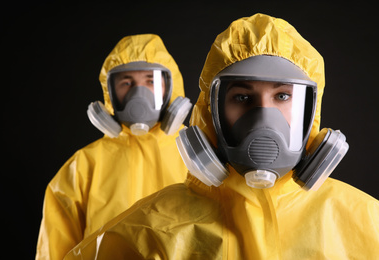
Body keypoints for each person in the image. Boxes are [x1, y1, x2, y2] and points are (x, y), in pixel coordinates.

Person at [64, 14, 379, 259]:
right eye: (242, 98)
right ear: (210, 111)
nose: (263, 118)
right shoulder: (149, 233)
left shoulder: (365, 223)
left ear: (312, 109)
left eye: (283, 97)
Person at [35, 34, 192, 259]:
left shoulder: (195, 158)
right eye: (126, 83)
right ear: (110, 93)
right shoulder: (83, 166)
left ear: (171, 88)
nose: (140, 94)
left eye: (151, 81)